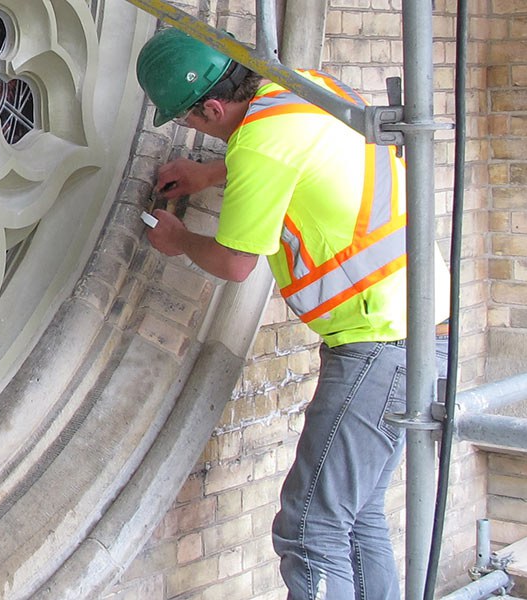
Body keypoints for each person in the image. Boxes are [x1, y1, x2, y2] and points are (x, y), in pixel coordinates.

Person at [133, 28, 448, 600]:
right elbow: (299, 155)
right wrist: (210, 173)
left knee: (309, 528)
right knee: (354, 519)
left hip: (380, 341)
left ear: (212, 106)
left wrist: (179, 240)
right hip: (421, 329)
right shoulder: (307, 90)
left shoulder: (257, 142)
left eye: (195, 123)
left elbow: (234, 264)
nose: (196, 134)